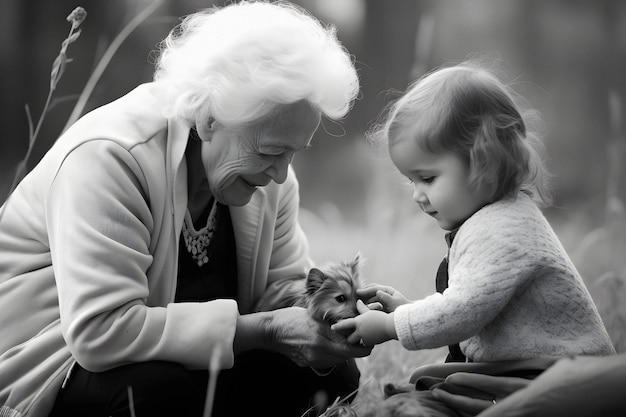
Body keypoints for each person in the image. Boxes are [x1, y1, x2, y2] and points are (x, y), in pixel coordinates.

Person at [0, 2, 371, 417]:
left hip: (179, 361)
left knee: (333, 376)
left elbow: (280, 289)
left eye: (294, 153)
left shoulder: (266, 174)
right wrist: (266, 330)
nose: (283, 175)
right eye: (272, 151)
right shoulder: (110, 158)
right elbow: (101, 334)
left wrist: (331, 313)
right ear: (209, 118)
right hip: (61, 363)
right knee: (157, 393)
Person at [332, 61, 615, 363]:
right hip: (526, 370)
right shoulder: (495, 219)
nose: (416, 195)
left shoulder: (504, 231)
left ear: (485, 162)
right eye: (411, 181)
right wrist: (406, 310)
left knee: (418, 403)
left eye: (427, 179)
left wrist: (392, 325)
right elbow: (472, 307)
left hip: (557, 376)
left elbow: (462, 311)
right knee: (425, 385)